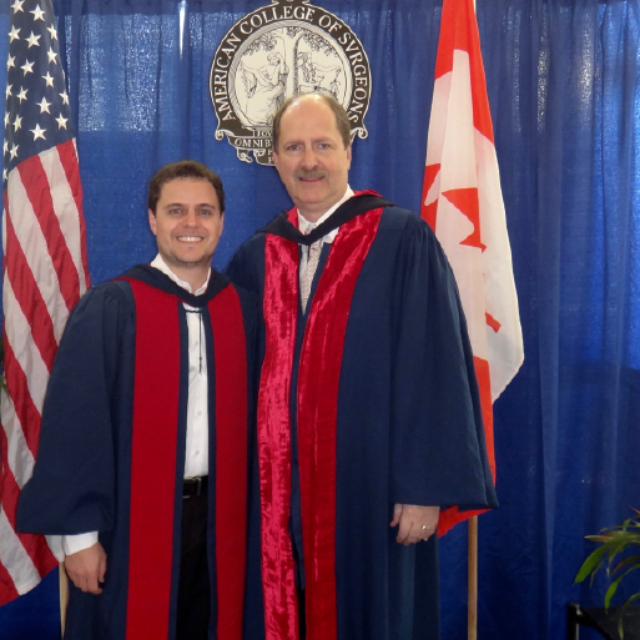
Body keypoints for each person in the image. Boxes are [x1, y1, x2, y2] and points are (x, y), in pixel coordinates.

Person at [226, 93, 498, 640]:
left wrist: (423, 487)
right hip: (276, 504)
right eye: (294, 148)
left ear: (349, 151)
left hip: (370, 498)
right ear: (275, 160)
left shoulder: (400, 241)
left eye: (323, 145)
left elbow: (435, 369)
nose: (309, 161)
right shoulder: (257, 257)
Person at [18, 161, 256, 640]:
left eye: (204, 211)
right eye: (176, 211)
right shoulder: (112, 309)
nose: (191, 224)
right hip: (128, 526)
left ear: (222, 221)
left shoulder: (243, 311)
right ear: (152, 220)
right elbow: (76, 431)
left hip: (224, 521)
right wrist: (80, 538)